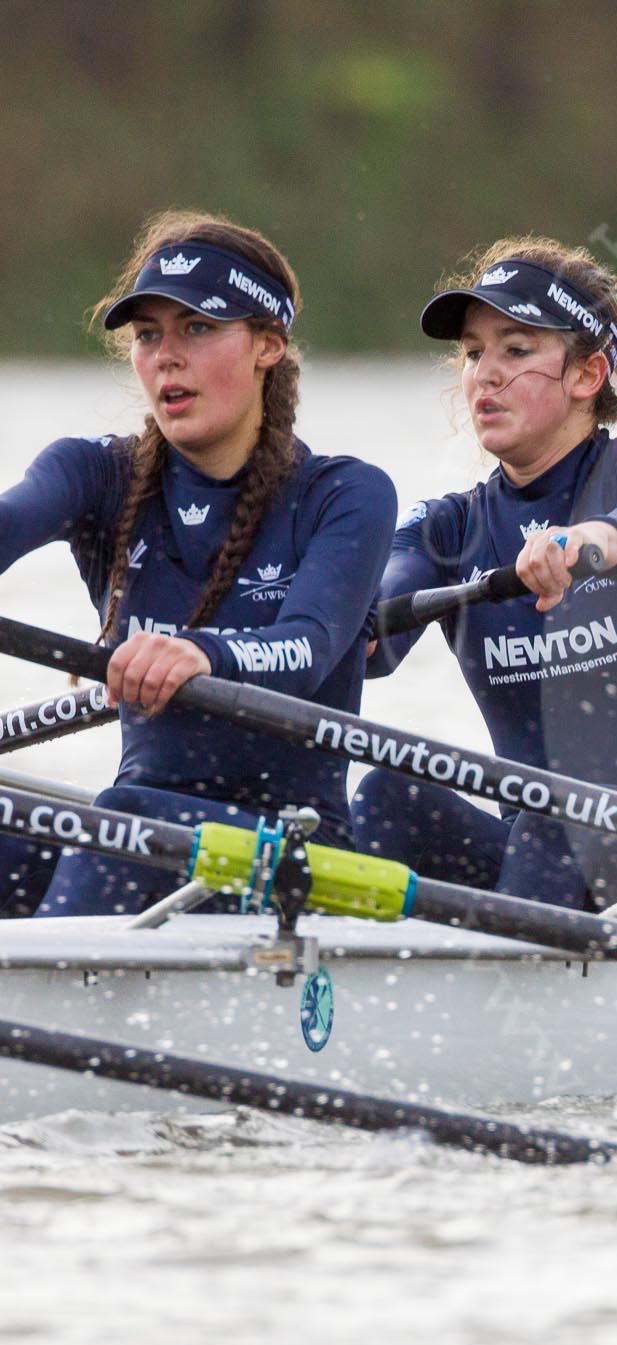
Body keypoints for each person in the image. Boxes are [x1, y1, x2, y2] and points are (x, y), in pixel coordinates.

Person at [0, 211, 396, 917]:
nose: (166, 356)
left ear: (268, 345)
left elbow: (305, 647)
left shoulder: (345, 495)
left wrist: (198, 653)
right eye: (149, 334)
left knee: (123, 821)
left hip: (293, 856)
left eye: (198, 329)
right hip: (140, 838)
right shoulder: (96, 475)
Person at [354, 237, 617, 913]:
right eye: (474, 353)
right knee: (385, 799)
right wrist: (340, 626)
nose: (484, 374)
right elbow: (379, 616)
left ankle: (505, 1000)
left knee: (556, 818)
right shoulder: (447, 528)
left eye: (515, 351)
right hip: (543, 860)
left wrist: (581, 545)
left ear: (587, 375)